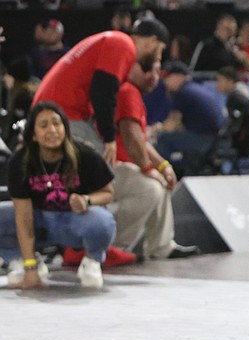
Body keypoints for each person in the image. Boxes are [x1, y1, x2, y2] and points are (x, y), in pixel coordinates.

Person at [1, 101, 116, 289]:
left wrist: (87, 200)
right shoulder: (20, 162)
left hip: (74, 221)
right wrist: (30, 270)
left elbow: (108, 193)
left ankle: (91, 261)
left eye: (57, 123)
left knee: (104, 221)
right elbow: (23, 216)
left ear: (65, 127)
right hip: (37, 219)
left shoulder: (84, 154)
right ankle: (22, 259)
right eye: (44, 125)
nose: (52, 130)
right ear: (34, 135)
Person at [32, 17, 170, 166]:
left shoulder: (114, 40)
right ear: (152, 42)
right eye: (161, 50)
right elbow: (103, 92)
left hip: (54, 108)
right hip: (61, 112)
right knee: (103, 165)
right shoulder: (123, 45)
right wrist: (109, 138)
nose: (159, 57)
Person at [110, 62, 198, 261]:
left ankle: (161, 246)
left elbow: (140, 139)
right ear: (131, 69)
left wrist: (162, 165)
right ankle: (115, 247)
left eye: (158, 71)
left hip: (130, 166)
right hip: (114, 166)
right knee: (150, 189)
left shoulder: (134, 95)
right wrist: (149, 168)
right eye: (148, 70)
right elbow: (132, 136)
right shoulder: (126, 92)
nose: (154, 76)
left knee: (162, 181)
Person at [153, 60, 223, 177]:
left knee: (163, 139)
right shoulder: (195, 88)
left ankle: (165, 177)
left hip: (205, 140)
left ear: (180, 76)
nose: (165, 81)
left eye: (168, 77)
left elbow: (170, 126)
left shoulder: (183, 92)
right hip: (215, 140)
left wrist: (156, 129)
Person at [214, 66, 249, 154]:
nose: (217, 84)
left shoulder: (235, 98)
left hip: (247, 142)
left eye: (219, 80)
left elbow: (235, 126)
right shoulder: (239, 95)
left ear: (230, 81)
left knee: (212, 146)